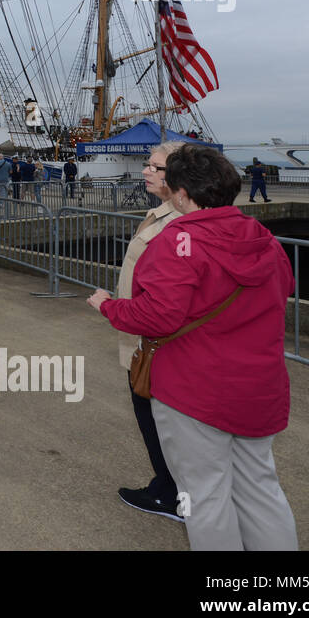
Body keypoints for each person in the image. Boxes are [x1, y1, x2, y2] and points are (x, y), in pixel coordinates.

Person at [88, 144, 298, 550]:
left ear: (182, 193)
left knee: (205, 496)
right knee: (261, 489)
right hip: (258, 387)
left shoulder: (179, 240)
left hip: (194, 390)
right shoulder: (266, 241)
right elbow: (281, 293)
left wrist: (109, 307)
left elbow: (157, 315)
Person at [96, 142, 187, 522]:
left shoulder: (178, 224)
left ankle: (172, 494)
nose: (146, 171)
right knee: (151, 416)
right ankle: (168, 486)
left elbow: (169, 297)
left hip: (156, 340)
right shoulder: (159, 214)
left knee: (159, 420)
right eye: (148, 165)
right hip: (140, 336)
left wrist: (111, 307)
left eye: (156, 167)